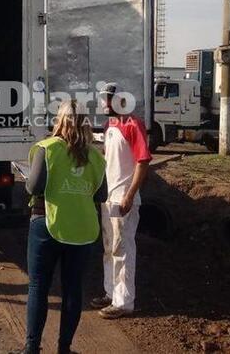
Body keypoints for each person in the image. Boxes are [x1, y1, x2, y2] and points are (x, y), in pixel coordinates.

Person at [14, 100, 107, 354]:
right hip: (82, 229)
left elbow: (33, 188)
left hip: (46, 223)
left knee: (38, 287)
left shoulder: (48, 148)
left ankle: (32, 348)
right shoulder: (96, 157)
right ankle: (64, 349)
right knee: (73, 289)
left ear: (60, 120)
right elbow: (102, 196)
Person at [91, 82, 151, 319]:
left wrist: (128, 195)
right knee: (109, 248)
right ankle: (111, 293)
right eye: (104, 98)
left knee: (123, 249)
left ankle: (124, 302)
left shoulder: (132, 124)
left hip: (123, 200)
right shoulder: (110, 125)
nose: (105, 103)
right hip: (108, 198)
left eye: (109, 98)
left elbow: (143, 160)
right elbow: (109, 157)